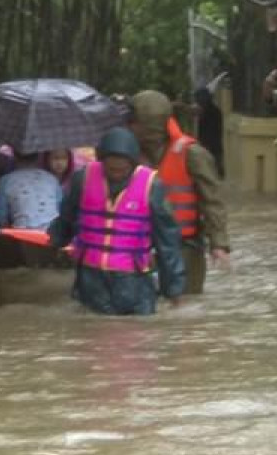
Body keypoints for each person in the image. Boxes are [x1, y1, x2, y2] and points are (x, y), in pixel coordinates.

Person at [48, 127, 185, 315]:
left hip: (133, 281)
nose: (117, 174)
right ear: (101, 161)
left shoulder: (152, 186)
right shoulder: (82, 179)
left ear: (133, 164)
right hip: (91, 279)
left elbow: (167, 241)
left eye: (123, 170)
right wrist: (56, 240)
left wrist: (174, 289)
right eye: (111, 169)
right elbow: (67, 217)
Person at [127, 90, 230, 295]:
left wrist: (218, 244)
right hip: (140, 247)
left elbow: (212, 201)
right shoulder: (127, 155)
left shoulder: (192, 154)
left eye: (133, 119)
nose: (129, 124)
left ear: (147, 124)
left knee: (184, 303)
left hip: (184, 248)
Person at [0, 149, 63, 230]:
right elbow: (61, 209)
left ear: (15, 157)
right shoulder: (52, 179)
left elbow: (2, 218)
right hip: (52, 232)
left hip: (23, 233)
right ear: (38, 157)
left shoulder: (6, 181)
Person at [192, 86, 224, 177]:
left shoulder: (210, 111)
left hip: (210, 147)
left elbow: (194, 112)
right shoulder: (215, 110)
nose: (197, 103)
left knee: (211, 172)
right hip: (213, 147)